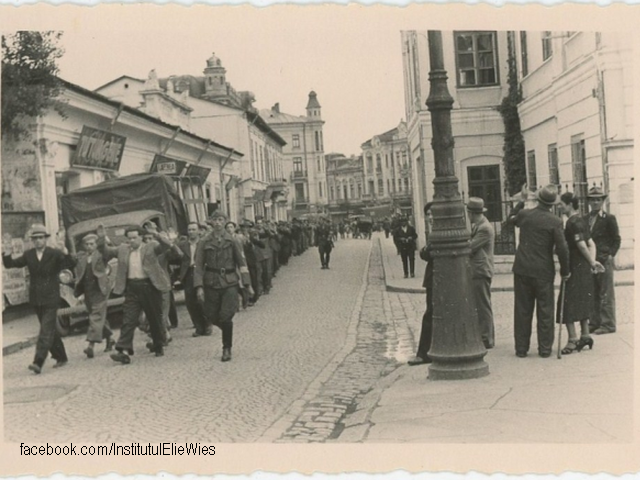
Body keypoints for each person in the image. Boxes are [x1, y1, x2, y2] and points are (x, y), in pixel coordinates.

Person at [3, 224, 76, 374]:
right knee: (49, 330)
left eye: (40, 238)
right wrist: (7, 252)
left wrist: (65, 251)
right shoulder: (29, 254)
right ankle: (61, 356)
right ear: (32, 240)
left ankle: (38, 361)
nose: (37, 241)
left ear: (45, 239)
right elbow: (10, 264)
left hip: (51, 298)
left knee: (45, 330)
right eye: (35, 238)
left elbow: (71, 263)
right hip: (36, 299)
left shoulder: (54, 253)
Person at [507, 184, 570, 358]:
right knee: (545, 311)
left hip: (522, 269)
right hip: (543, 271)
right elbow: (562, 248)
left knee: (522, 310)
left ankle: (521, 349)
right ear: (552, 204)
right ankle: (544, 349)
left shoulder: (525, 215)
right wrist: (565, 270)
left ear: (538, 199)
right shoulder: (555, 221)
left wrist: (521, 202)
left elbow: (510, 218)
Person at [98, 225, 173, 364]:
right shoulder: (122, 249)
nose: (131, 241)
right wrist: (102, 238)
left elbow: (166, 246)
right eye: (129, 238)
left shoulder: (151, 247)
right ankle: (123, 350)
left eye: (134, 237)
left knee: (154, 319)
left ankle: (158, 344)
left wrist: (157, 234)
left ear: (140, 237)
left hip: (150, 287)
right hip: (132, 288)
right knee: (129, 319)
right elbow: (105, 251)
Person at [194, 210, 251, 362]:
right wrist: (199, 286)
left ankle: (227, 348)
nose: (218, 222)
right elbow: (198, 266)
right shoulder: (204, 242)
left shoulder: (233, 241)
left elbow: (242, 264)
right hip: (211, 282)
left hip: (230, 282)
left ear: (226, 221)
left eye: (221, 219)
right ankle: (226, 329)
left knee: (226, 316)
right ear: (211, 222)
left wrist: (247, 284)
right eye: (215, 220)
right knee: (210, 314)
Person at [557, 192, 605, 354]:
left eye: (561, 203)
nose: (559, 206)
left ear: (570, 204)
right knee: (583, 299)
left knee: (568, 301)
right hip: (583, 266)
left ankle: (572, 340)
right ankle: (585, 335)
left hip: (574, 266)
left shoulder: (572, 223)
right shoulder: (582, 221)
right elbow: (592, 244)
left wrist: (592, 262)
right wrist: (592, 262)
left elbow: (582, 245)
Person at [585, 186, 621, 335]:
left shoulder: (609, 218)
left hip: (603, 260)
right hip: (590, 260)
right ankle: (594, 322)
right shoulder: (585, 219)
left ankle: (608, 324)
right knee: (592, 291)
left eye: (598, 200)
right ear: (589, 202)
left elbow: (616, 239)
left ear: (602, 201)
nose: (595, 203)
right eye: (592, 200)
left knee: (606, 293)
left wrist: (610, 255)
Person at [74, 233, 115, 359]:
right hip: (88, 292)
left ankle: (90, 346)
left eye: (92, 244)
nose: (89, 247)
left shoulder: (102, 255)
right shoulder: (82, 257)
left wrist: (103, 238)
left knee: (95, 317)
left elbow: (107, 250)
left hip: (100, 291)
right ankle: (110, 338)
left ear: (96, 245)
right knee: (97, 315)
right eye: (87, 244)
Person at [467, 197, 496, 350]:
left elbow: (471, 247)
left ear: (472, 213)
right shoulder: (479, 226)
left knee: (483, 305)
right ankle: (486, 336)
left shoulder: (484, 228)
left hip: (481, 270)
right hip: (479, 270)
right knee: (482, 304)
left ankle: (487, 339)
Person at [408, 203, 434, 366]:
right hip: (433, 279)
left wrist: (425, 251)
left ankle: (424, 354)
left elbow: (426, 253)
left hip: (436, 279)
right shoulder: (433, 232)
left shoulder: (438, 232)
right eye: (428, 214)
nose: (430, 217)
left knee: (430, 315)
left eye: (432, 214)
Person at [177, 222, 210, 336]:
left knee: (202, 300)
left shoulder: (204, 243)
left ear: (199, 231)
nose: (191, 232)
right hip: (188, 273)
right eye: (189, 230)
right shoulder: (183, 245)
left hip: (201, 273)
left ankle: (207, 325)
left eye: (193, 229)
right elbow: (176, 257)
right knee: (190, 302)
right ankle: (198, 327)